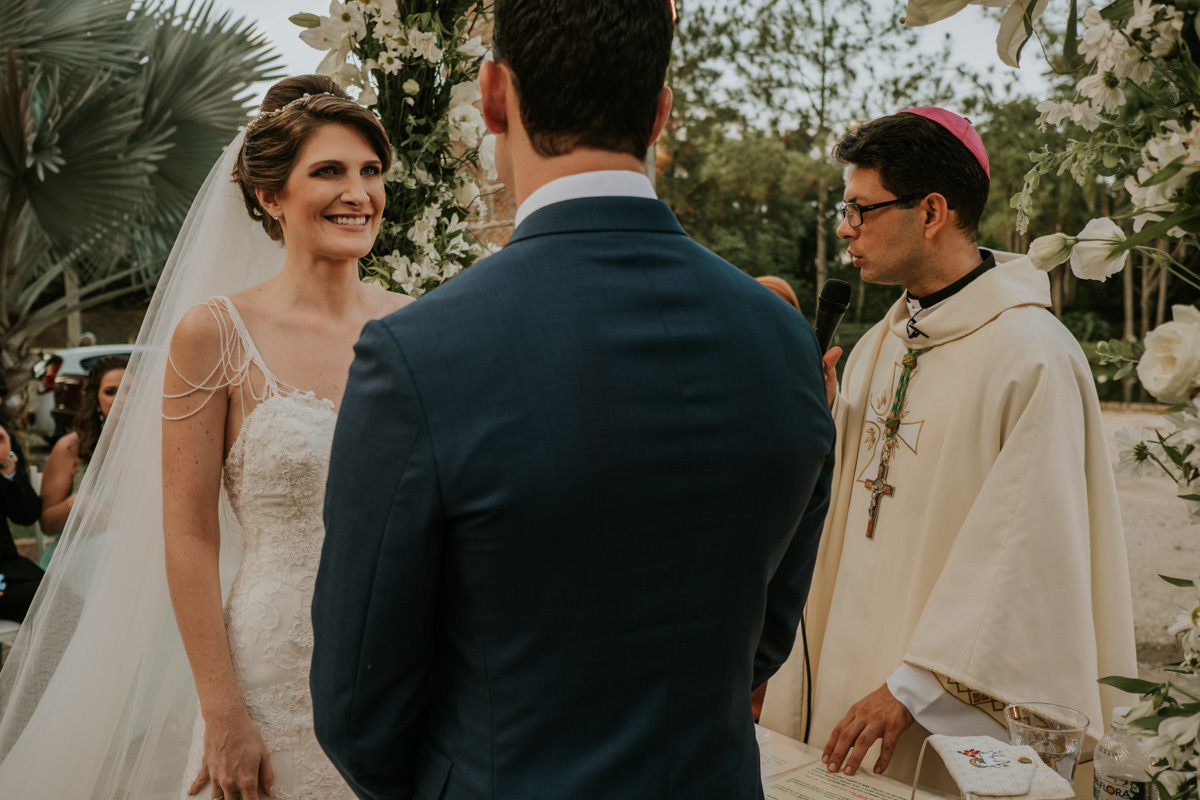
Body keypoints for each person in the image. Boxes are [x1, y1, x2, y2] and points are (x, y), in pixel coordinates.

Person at [311, 2, 836, 798]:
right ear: (659, 113)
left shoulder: (419, 357)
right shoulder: (783, 342)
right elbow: (765, 638)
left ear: (492, 95)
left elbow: (358, 705)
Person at [0, 75, 408, 800]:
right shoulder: (215, 334)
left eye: (370, 171)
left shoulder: (418, 325)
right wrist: (223, 710)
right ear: (269, 196)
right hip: (273, 674)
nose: (359, 192)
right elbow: (187, 531)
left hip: (406, 662)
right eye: (329, 171)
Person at [758, 108, 1137, 797]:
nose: (845, 228)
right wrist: (814, 422)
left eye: (860, 209)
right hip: (844, 685)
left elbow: (1026, 556)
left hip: (937, 711)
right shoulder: (881, 344)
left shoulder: (1032, 357)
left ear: (930, 211)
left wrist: (913, 687)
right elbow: (839, 511)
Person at [39, 355, 128, 568]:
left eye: (129, 390)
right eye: (110, 391)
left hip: (136, 554)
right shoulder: (71, 448)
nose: (121, 400)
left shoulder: (157, 445)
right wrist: (75, 504)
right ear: (95, 398)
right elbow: (47, 524)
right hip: (80, 558)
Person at [0, 425, 43, 622]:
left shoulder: (4, 440)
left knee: (61, 600)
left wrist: (6, 464)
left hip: (7, 572)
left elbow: (27, 515)